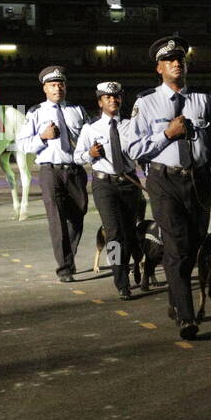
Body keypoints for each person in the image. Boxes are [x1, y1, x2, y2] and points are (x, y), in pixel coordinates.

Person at [122, 36, 211, 340]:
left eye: (180, 59)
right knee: (177, 244)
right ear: (159, 67)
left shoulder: (204, 101)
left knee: (194, 245)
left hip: (199, 181)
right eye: (169, 60)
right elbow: (133, 147)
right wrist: (167, 135)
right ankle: (186, 317)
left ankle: (176, 294)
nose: (176, 63)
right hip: (164, 180)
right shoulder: (145, 103)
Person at [16, 66, 89, 282]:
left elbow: (89, 136)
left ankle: (69, 255)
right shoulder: (36, 112)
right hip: (50, 172)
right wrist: (43, 137)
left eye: (61, 84)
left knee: (78, 215)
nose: (58, 88)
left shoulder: (77, 110)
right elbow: (23, 145)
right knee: (57, 220)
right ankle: (64, 267)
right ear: (45, 88)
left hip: (75, 171)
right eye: (53, 85)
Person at [74, 81, 144, 301]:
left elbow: (142, 152)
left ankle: (137, 265)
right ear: (100, 102)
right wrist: (90, 154)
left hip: (129, 183)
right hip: (104, 184)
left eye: (116, 97)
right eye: (107, 97)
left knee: (131, 232)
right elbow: (77, 157)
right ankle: (121, 281)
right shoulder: (90, 129)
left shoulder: (131, 125)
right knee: (114, 234)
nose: (113, 100)